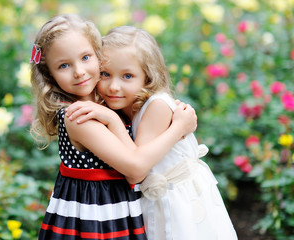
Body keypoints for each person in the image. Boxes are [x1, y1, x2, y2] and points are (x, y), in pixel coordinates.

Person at [30, 14, 197, 240]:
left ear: (99, 55)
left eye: (86, 57)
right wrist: (178, 128)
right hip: (94, 218)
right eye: (64, 65)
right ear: (50, 74)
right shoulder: (79, 116)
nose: (79, 71)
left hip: (111, 209)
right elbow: (136, 170)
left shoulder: (103, 101)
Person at [66, 26, 238, 240]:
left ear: (148, 77)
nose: (113, 86)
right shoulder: (124, 105)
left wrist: (112, 121)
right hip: (156, 198)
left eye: (127, 76)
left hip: (177, 201)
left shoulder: (156, 105)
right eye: (105, 74)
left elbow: (136, 168)